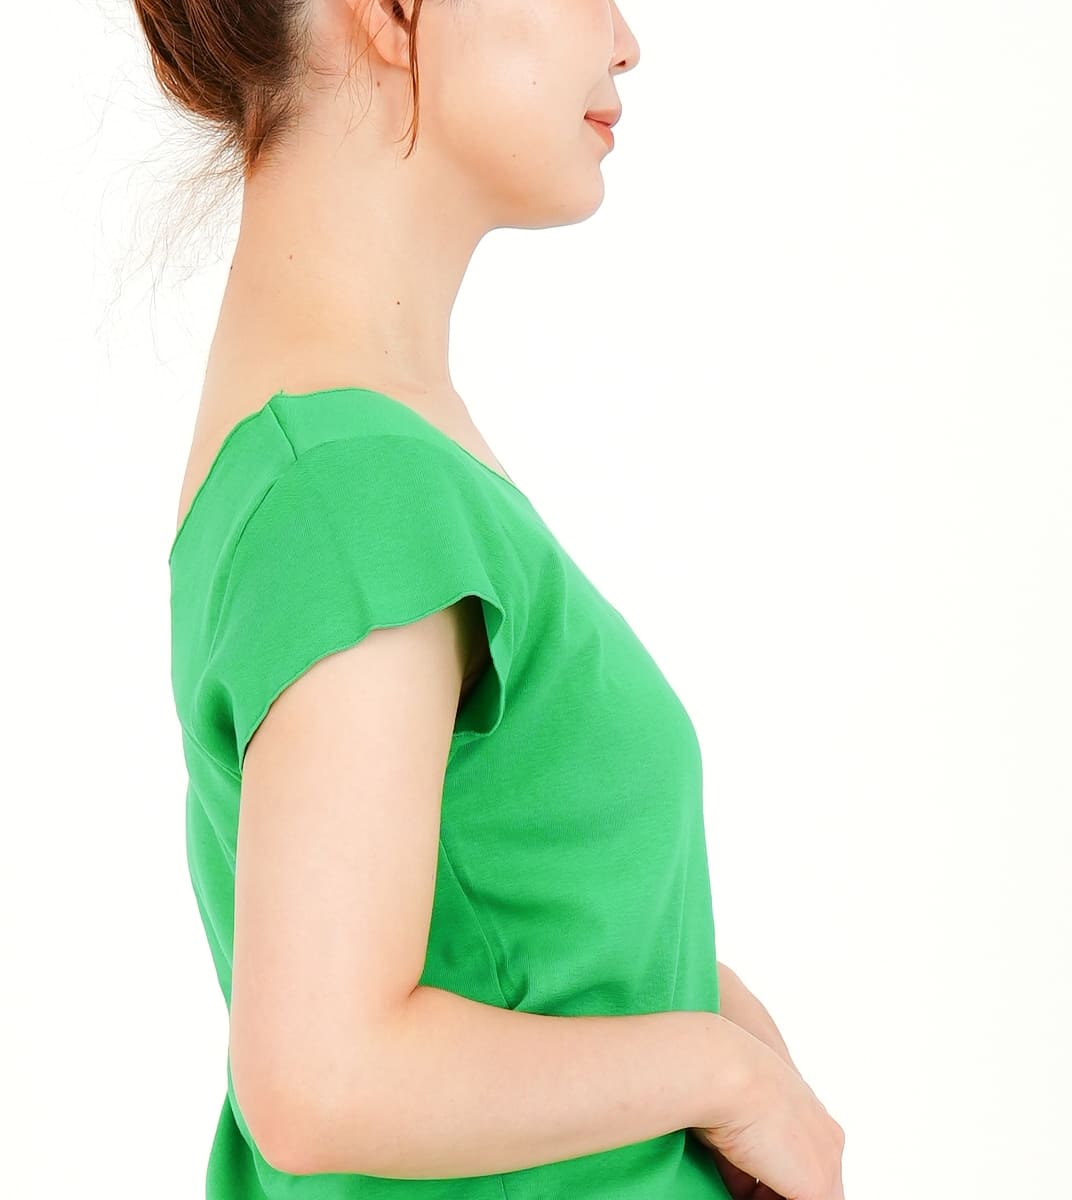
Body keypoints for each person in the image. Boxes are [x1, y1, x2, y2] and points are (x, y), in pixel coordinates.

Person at [143, 1, 846, 1196]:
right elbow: (322, 1080)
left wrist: (705, 1013)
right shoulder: (351, 485)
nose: (624, 40)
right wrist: (730, 1078)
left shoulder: (364, 455)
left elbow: (502, 926)